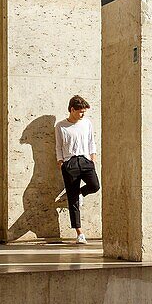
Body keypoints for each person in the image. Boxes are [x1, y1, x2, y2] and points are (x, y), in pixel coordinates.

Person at [55, 95, 100, 245]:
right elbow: (58, 145)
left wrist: (92, 159)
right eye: (80, 112)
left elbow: (91, 141)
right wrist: (61, 162)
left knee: (95, 186)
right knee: (72, 199)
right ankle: (79, 233)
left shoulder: (86, 123)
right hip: (70, 162)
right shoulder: (60, 126)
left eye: (84, 112)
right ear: (72, 110)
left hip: (86, 160)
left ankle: (81, 193)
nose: (82, 115)